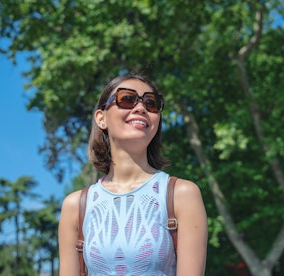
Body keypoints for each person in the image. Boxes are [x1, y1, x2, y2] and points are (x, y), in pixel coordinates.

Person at [58, 74, 208, 275]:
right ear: (101, 118)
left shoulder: (181, 194)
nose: (140, 108)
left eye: (151, 103)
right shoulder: (75, 207)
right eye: (127, 99)